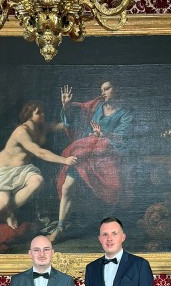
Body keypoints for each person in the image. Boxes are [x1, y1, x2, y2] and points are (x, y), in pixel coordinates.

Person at [0, 101, 77, 245]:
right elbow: (40, 152)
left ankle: (6, 212)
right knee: (2, 201)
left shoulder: (42, 127)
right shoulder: (22, 131)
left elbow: (64, 126)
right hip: (0, 172)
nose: (43, 114)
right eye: (38, 112)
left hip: (20, 170)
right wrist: (64, 160)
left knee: (37, 180)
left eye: (42, 111)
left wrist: (66, 107)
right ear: (29, 115)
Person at [49, 81, 133, 243]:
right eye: (101, 89)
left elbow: (124, 138)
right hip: (87, 154)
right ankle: (59, 228)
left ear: (117, 88)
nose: (103, 92)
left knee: (111, 191)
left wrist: (103, 134)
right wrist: (66, 106)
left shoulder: (125, 113)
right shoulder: (96, 106)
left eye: (107, 88)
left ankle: (109, 231)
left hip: (108, 156)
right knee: (67, 186)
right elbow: (74, 120)